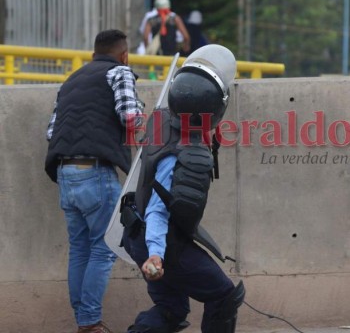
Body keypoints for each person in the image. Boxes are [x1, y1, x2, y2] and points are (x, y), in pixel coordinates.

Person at [121, 44, 245, 333]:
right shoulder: (188, 153)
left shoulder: (162, 121)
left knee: (171, 310)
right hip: (160, 243)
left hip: (135, 234)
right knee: (225, 296)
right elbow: (158, 209)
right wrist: (156, 253)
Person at [45, 29, 145, 333]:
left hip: (65, 172)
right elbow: (130, 118)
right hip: (96, 172)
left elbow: (52, 132)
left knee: (80, 249)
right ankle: (89, 322)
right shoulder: (119, 72)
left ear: (92, 55)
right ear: (124, 54)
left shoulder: (71, 80)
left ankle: (84, 321)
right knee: (105, 247)